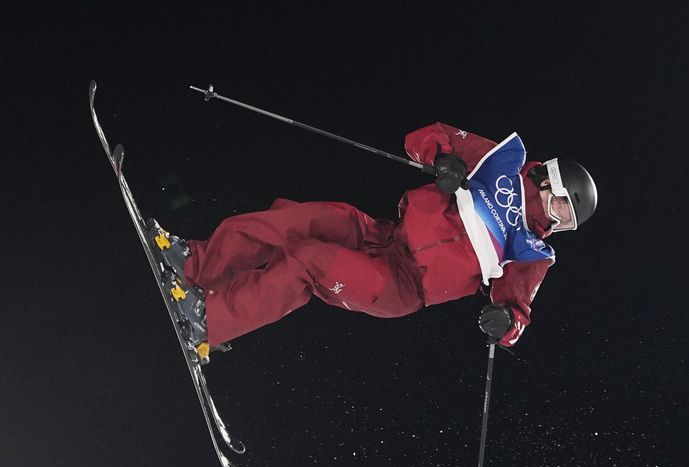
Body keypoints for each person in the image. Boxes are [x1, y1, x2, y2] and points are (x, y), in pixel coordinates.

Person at [151, 122, 598, 361]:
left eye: (566, 221)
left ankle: (208, 321)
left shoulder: (533, 252)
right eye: (561, 208)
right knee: (299, 219)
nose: (557, 221)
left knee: (310, 260)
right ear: (550, 182)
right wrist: (442, 158)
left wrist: (505, 324)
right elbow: (428, 135)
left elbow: (517, 313)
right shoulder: (497, 162)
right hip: (387, 234)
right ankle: (194, 263)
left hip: (401, 285)